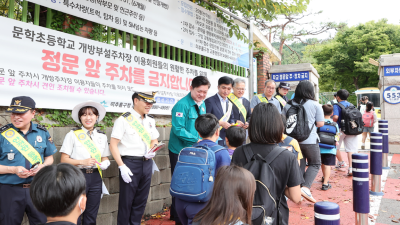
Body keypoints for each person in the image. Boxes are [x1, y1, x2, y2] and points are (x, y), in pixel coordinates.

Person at [232, 103, 302, 225]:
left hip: (244, 215)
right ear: (278, 125)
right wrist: (278, 187)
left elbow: (233, 186)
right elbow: (296, 197)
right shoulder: (287, 156)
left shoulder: (239, 152)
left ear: (253, 125)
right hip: (274, 217)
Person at [0, 96, 57, 225]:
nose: (16, 117)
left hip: (38, 189)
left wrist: (43, 166)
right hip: (9, 191)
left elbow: (49, 157)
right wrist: (13, 169)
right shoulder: (2, 135)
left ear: (33, 113)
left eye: (21, 113)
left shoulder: (42, 132)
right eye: (13, 113)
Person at [109, 91, 160, 225]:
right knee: (126, 202)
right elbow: (113, 145)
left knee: (141, 201)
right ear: (136, 101)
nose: (149, 105)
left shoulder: (150, 120)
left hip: (147, 162)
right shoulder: (123, 120)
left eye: (151, 103)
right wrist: (121, 166)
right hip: (129, 163)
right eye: (146, 102)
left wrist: (152, 150)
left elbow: (154, 139)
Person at [60, 101, 111, 225]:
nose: (88, 118)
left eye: (92, 114)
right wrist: (82, 162)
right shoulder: (72, 135)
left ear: (97, 117)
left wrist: (106, 163)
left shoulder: (102, 136)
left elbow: (104, 157)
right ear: (80, 118)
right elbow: (63, 160)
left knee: (91, 213)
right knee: (75, 212)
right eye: (84, 115)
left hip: (96, 177)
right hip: (77, 176)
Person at [168, 76, 210, 224]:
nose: (202, 95)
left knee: (190, 182)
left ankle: (175, 213)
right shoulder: (182, 105)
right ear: (191, 88)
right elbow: (178, 129)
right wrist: (196, 139)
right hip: (179, 150)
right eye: (199, 91)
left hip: (194, 149)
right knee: (179, 182)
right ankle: (178, 217)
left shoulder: (202, 104)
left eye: (205, 92)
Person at [175, 114, 231, 225]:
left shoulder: (189, 149)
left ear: (198, 133)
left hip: (181, 201)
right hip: (204, 204)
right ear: (217, 132)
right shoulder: (221, 152)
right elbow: (224, 183)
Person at [282, 80, 324, 203]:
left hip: (292, 141)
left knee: (299, 165)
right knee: (315, 163)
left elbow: (283, 121)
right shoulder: (315, 104)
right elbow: (320, 123)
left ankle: (296, 190)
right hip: (310, 140)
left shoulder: (288, 104)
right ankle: (305, 187)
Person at [205, 76, 236, 146]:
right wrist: (220, 123)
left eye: (229, 89)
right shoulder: (209, 101)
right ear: (218, 87)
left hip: (226, 138)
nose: (226, 91)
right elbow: (205, 120)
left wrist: (232, 123)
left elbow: (232, 118)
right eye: (223, 88)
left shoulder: (230, 103)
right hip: (213, 138)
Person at [333, 89, 358, 176]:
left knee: (335, 145)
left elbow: (335, 117)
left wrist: (332, 120)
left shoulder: (336, 105)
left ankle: (341, 162)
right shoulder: (351, 105)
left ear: (338, 97)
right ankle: (351, 168)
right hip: (351, 129)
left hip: (339, 130)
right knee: (351, 149)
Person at [320, 105, 340, 191]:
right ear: (332, 113)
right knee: (328, 165)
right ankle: (325, 183)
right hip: (331, 148)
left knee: (322, 163)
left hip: (319, 147)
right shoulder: (335, 124)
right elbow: (337, 136)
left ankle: (324, 177)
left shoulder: (319, 123)